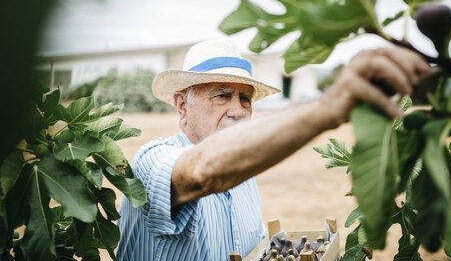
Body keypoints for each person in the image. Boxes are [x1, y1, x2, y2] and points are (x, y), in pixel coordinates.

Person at [116, 39, 429, 260]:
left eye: (245, 98)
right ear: (183, 106)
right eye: (222, 96)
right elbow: (200, 173)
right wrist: (328, 108)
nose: (239, 110)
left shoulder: (244, 179)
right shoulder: (149, 162)